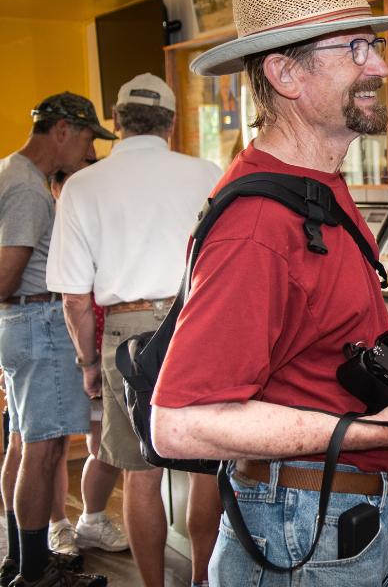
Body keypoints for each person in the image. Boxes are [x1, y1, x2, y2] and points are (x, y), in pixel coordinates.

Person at [147, 0, 388, 586]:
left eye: (374, 45)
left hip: (331, 520)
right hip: (302, 533)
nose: (380, 67)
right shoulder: (261, 225)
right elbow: (178, 423)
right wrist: (365, 430)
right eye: (355, 48)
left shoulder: (318, 190)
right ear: (285, 73)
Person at [46, 74, 222, 587]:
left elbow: (75, 298)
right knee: (204, 465)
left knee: (141, 475)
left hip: (127, 332)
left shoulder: (82, 185)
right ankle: (203, 582)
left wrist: (86, 364)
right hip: (198, 321)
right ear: (170, 122)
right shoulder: (207, 172)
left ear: (117, 122)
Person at [0, 92, 113, 587]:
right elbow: (7, 278)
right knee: (43, 452)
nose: (88, 152)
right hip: (37, 322)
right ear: (63, 129)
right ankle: (36, 571)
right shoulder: (27, 187)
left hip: (20, 325)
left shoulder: (12, 170)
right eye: (88, 138)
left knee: (23, 445)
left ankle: (19, 559)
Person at [44, 160, 128, 560]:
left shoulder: (91, 217)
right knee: (55, 444)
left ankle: (91, 520)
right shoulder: (54, 219)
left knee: (104, 445)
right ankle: (60, 524)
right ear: (56, 184)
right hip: (69, 344)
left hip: (95, 341)